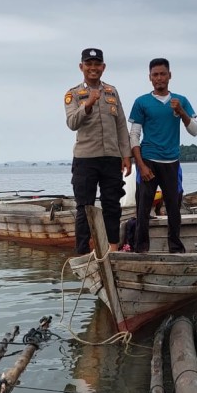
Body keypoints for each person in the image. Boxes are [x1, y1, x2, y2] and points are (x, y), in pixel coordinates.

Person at [64, 48, 132, 254]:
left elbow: (121, 124)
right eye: (88, 64)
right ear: (81, 67)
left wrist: (126, 155)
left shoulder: (112, 91)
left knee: (112, 204)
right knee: (85, 207)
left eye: (97, 64)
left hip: (111, 158)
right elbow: (71, 123)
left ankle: (113, 249)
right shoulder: (73, 94)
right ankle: (83, 251)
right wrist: (88, 104)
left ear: (103, 67)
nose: (93, 68)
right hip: (85, 159)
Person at [128, 58, 197, 253]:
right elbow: (134, 135)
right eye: (155, 75)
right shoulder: (141, 102)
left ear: (170, 75)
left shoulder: (180, 101)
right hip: (148, 161)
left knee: (174, 209)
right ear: (150, 78)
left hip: (172, 162)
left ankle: (175, 248)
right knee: (143, 209)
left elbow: (194, 130)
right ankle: (140, 249)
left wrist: (181, 111)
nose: (159, 78)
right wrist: (141, 166)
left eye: (162, 74)